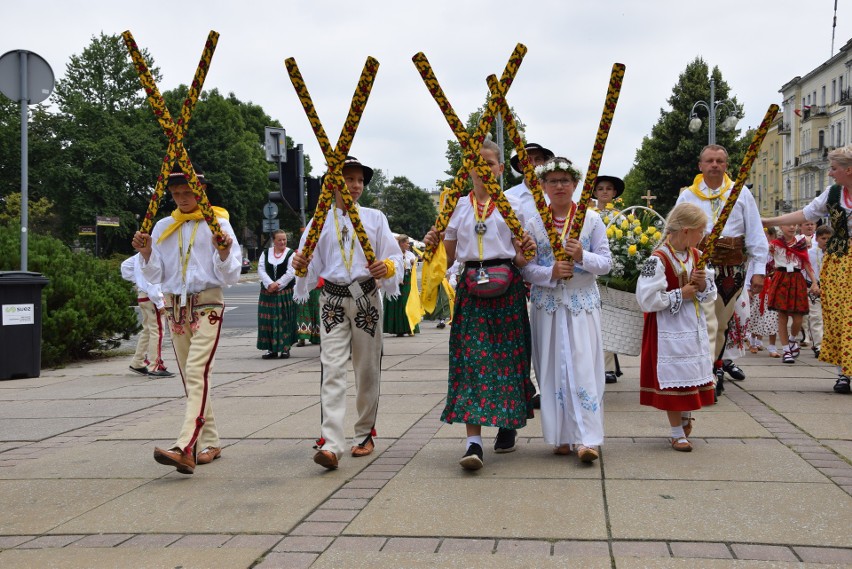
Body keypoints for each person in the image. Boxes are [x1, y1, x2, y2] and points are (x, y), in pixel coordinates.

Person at [423, 138, 536, 471]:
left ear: (501, 168)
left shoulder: (511, 205)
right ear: (468, 169)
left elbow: (521, 256)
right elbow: (449, 256)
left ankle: (508, 424)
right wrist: (433, 240)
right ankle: (473, 442)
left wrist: (525, 249)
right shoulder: (456, 207)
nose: (485, 168)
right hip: (472, 289)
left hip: (508, 287)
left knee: (511, 359)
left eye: (491, 163)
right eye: (478, 163)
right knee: (473, 359)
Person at [292, 156, 402, 470]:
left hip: (366, 298)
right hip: (332, 301)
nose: (355, 186)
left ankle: (365, 432)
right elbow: (307, 267)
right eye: (349, 179)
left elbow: (394, 258)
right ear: (333, 184)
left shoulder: (375, 218)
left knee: (367, 370)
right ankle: (331, 442)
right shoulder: (318, 221)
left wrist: (387, 266)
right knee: (332, 368)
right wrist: (299, 266)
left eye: (360, 180)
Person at [132, 165, 242, 474]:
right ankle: (212, 441)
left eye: (187, 192)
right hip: (174, 309)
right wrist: (146, 253)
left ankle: (185, 447)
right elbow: (154, 275)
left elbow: (231, 274)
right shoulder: (164, 226)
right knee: (192, 378)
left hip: (207, 305)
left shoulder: (218, 223)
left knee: (196, 371)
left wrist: (223, 252)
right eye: (176, 193)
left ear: (201, 191)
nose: (181, 198)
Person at [522, 157, 612, 462]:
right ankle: (560, 436)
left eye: (565, 181)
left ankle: (588, 438)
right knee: (549, 367)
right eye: (553, 181)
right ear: (544, 187)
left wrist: (581, 255)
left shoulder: (591, 220)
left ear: (575, 185)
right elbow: (525, 268)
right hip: (548, 307)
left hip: (580, 305)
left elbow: (606, 263)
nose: (559, 186)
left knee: (584, 366)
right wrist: (550, 274)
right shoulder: (533, 223)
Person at [675, 144, 768, 395]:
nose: (715, 165)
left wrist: (758, 269)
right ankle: (704, 371)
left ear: (726, 165)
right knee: (702, 319)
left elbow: (755, 233)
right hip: (699, 264)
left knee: (722, 321)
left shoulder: (740, 193)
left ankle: (714, 368)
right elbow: (675, 230)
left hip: (732, 266)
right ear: (700, 166)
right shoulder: (688, 195)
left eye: (720, 161)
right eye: (710, 161)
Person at [762, 145, 852, 393]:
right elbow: (806, 212)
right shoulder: (833, 194)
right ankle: (843, 373)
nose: (831, 173)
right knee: (837, 315)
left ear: (849, 170)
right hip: (839, 261)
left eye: (834, 169)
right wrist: (770, 221)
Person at [636, 203, 717, 452]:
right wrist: (679, 293)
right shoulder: (656, 259)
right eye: (700, 231)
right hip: (667, 327)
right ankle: (676, 432)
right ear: (685, 231)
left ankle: (684, 419)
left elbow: (709, 295)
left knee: (690, 373)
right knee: (674, 378)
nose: (702, 237)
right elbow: (646, 298)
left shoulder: (697, 256)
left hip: (692, 325)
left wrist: (703, 286)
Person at [766, 224, 817, 364]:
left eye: (794, 224)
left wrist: (814, 282)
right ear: (781, 227)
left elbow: (806, 263)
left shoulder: (801, 243)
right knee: (782, 316)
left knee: (798, 317)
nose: (792, 227)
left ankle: (792, 339)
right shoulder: (774, 244)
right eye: (789, 224)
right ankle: (786, 350)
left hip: (796, 279)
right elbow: (766, 259)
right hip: (781, 278)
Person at [592, 174, 626, 384]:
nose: (604, 192)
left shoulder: (622, 217)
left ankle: (609, 367)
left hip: (613, 273)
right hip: (593, 272)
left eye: (609, 188)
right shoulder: (587, 215)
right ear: (594, 193)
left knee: (610, 318)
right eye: (600, 188)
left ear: (614, 193)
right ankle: (598, 365)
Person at [120, 253, 175, 378]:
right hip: (152, 297)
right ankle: (155, 366)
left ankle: (138, 362)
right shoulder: (155, 254)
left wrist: (138, 281)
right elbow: (154, 282)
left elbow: (125, 267)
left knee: (148, 330)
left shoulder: (140, 255)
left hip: (143, 296)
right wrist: (160, 302)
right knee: (158, 331)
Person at [257, 230, 297, 359]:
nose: (282, 242)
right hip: (267, 292)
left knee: (284, 320)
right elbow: (261, 269)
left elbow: (291, 272)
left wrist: (277, 284)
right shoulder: (266, 253)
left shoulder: (290, 253)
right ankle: (271, 349)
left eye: (284, 239)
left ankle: (285, 348)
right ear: (273, 240)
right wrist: (269, 284)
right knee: (268, 320)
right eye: (279, 240)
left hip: (284, 293)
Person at [747, 227, 779, 358]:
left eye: (767, 237)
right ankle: (753, 341)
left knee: (773, 317)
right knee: (755, 315)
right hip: (758, 288)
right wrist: (748, 288)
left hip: (773, 287)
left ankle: (772, 346)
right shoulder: (757, 254)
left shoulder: (777, 252)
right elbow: (750, 269)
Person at [505, 142, 555, 224]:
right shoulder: (507, 197)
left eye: (538, 159)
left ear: (545, 164)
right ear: (520, 166)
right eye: (528, 160)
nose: (534, 164)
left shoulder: (557, 194)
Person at [382, 235, 421, 337]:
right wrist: (397, 279)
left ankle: (410, 328)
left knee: (407, 303)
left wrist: (413, 264)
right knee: (396, 304)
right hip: (395, 280)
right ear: (401, 243)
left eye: (408, 243)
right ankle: (398, 329)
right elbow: (391, 267)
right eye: (407, 243)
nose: (408, 245)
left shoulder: (410, 255)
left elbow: (414, 269)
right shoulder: (392, 255)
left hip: (407, 280)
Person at [806, 225, 832, 359]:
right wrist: (813, 284)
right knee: (816, 317)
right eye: (823, 238)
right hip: (814, 288)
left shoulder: (836, 253)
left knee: (830, 318)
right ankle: (818, 345)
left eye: (829, 238)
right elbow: (806, 269)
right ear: (817, 238)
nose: (826, 241)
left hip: (832, 288)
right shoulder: (810, 253)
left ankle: (830, 345)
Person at [295, 279, 323, 347]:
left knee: (317, 309)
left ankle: (317, 336)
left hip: (316, 283)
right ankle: (302, 337)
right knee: (302, 310)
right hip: (303, 283)